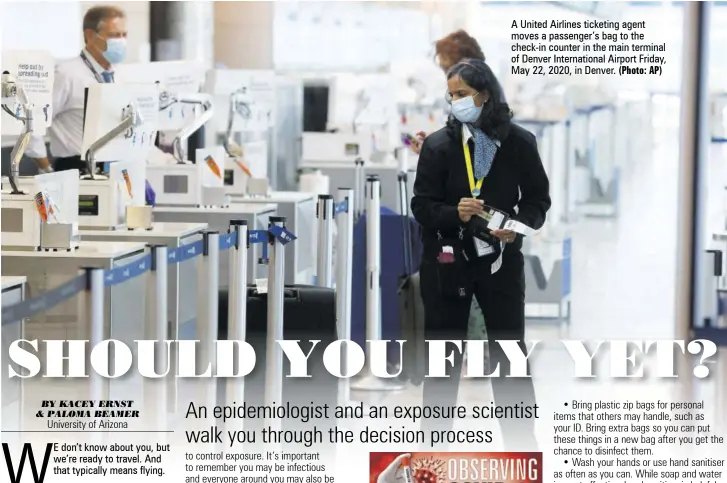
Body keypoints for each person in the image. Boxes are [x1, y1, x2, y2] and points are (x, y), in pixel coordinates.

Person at [410, 59, 550, 451]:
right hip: (447, 261)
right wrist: (454, 212)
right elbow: (421, 207)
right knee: (443, 358)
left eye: (462, 95)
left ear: (485, 95)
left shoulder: (519, 143)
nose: (455, 102)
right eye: (451, 95)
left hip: (500, 260)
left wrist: (518, 226)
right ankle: (433, 450)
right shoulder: (439, 145)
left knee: (509, 354)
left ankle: (522, 448)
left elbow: (538, 200)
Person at [25, 6, 155, 205]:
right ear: (89, 35)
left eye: (124, 34)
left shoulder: (120, 75)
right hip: (75, 170)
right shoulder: (67, 75)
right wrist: (47, 170)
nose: (121, 41)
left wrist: (137, 172)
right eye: (114, 35)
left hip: (116, 170)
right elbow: (30, 123)